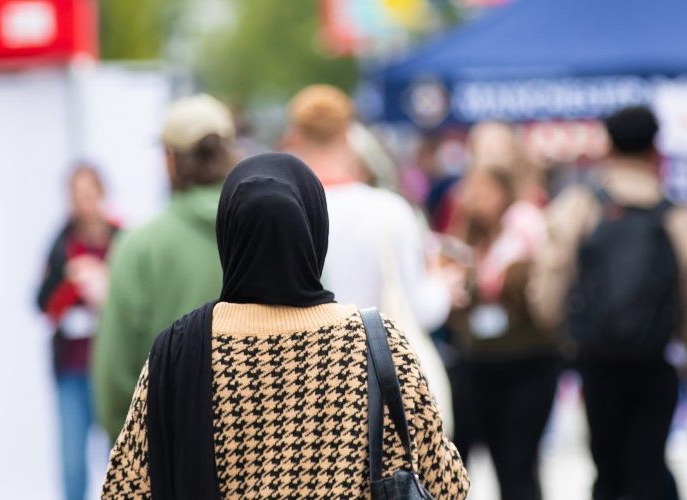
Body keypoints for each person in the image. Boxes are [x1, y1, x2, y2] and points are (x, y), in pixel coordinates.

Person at [101, 153, 469, 498]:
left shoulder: (178, 352)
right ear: (315, 230)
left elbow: (124, 488)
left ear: (228, 234)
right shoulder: (376, 344)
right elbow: (447, 485)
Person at [283, 85, 462, 434]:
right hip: (382, 387)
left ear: (296, 136)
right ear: (350, 135)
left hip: (309, 388)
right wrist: (444, 285)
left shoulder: (287, 212)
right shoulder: (389, 211)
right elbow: (422, 310)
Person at [530, 105, 687, 500]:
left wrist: (561, 332)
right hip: (654, 360)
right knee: (649, 464)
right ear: (655, 150)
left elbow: (549, 282)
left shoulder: (581, 206)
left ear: (608, 147)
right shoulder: (672, 216)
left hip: (597, 361)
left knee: (607, 466)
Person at [93, 94, 237, 441]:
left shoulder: (140, 247)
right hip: (265, 459)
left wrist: (132, 449)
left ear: (170, 160)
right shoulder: (275, 236)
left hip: (171, 451)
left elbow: (115, 371)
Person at [447, 166, 558, 500]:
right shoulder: (466, 235)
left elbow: (542, 295)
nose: (477, 200)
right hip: (476, 362)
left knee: (517, 465)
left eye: (485, 192)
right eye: (472, 192)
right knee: (469, 461)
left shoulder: (525, 230)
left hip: (529, 360)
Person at [36, 164, 119, 500]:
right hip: (71, 366)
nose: (84, 203)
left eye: (89, 193)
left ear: (101, 194)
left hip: (111, 367)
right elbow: (42, 304)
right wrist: (70, 282)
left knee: (117, 456)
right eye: (76, 195)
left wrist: (104, 283)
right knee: (72, 463)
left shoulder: (122, 239)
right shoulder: (60, 243)